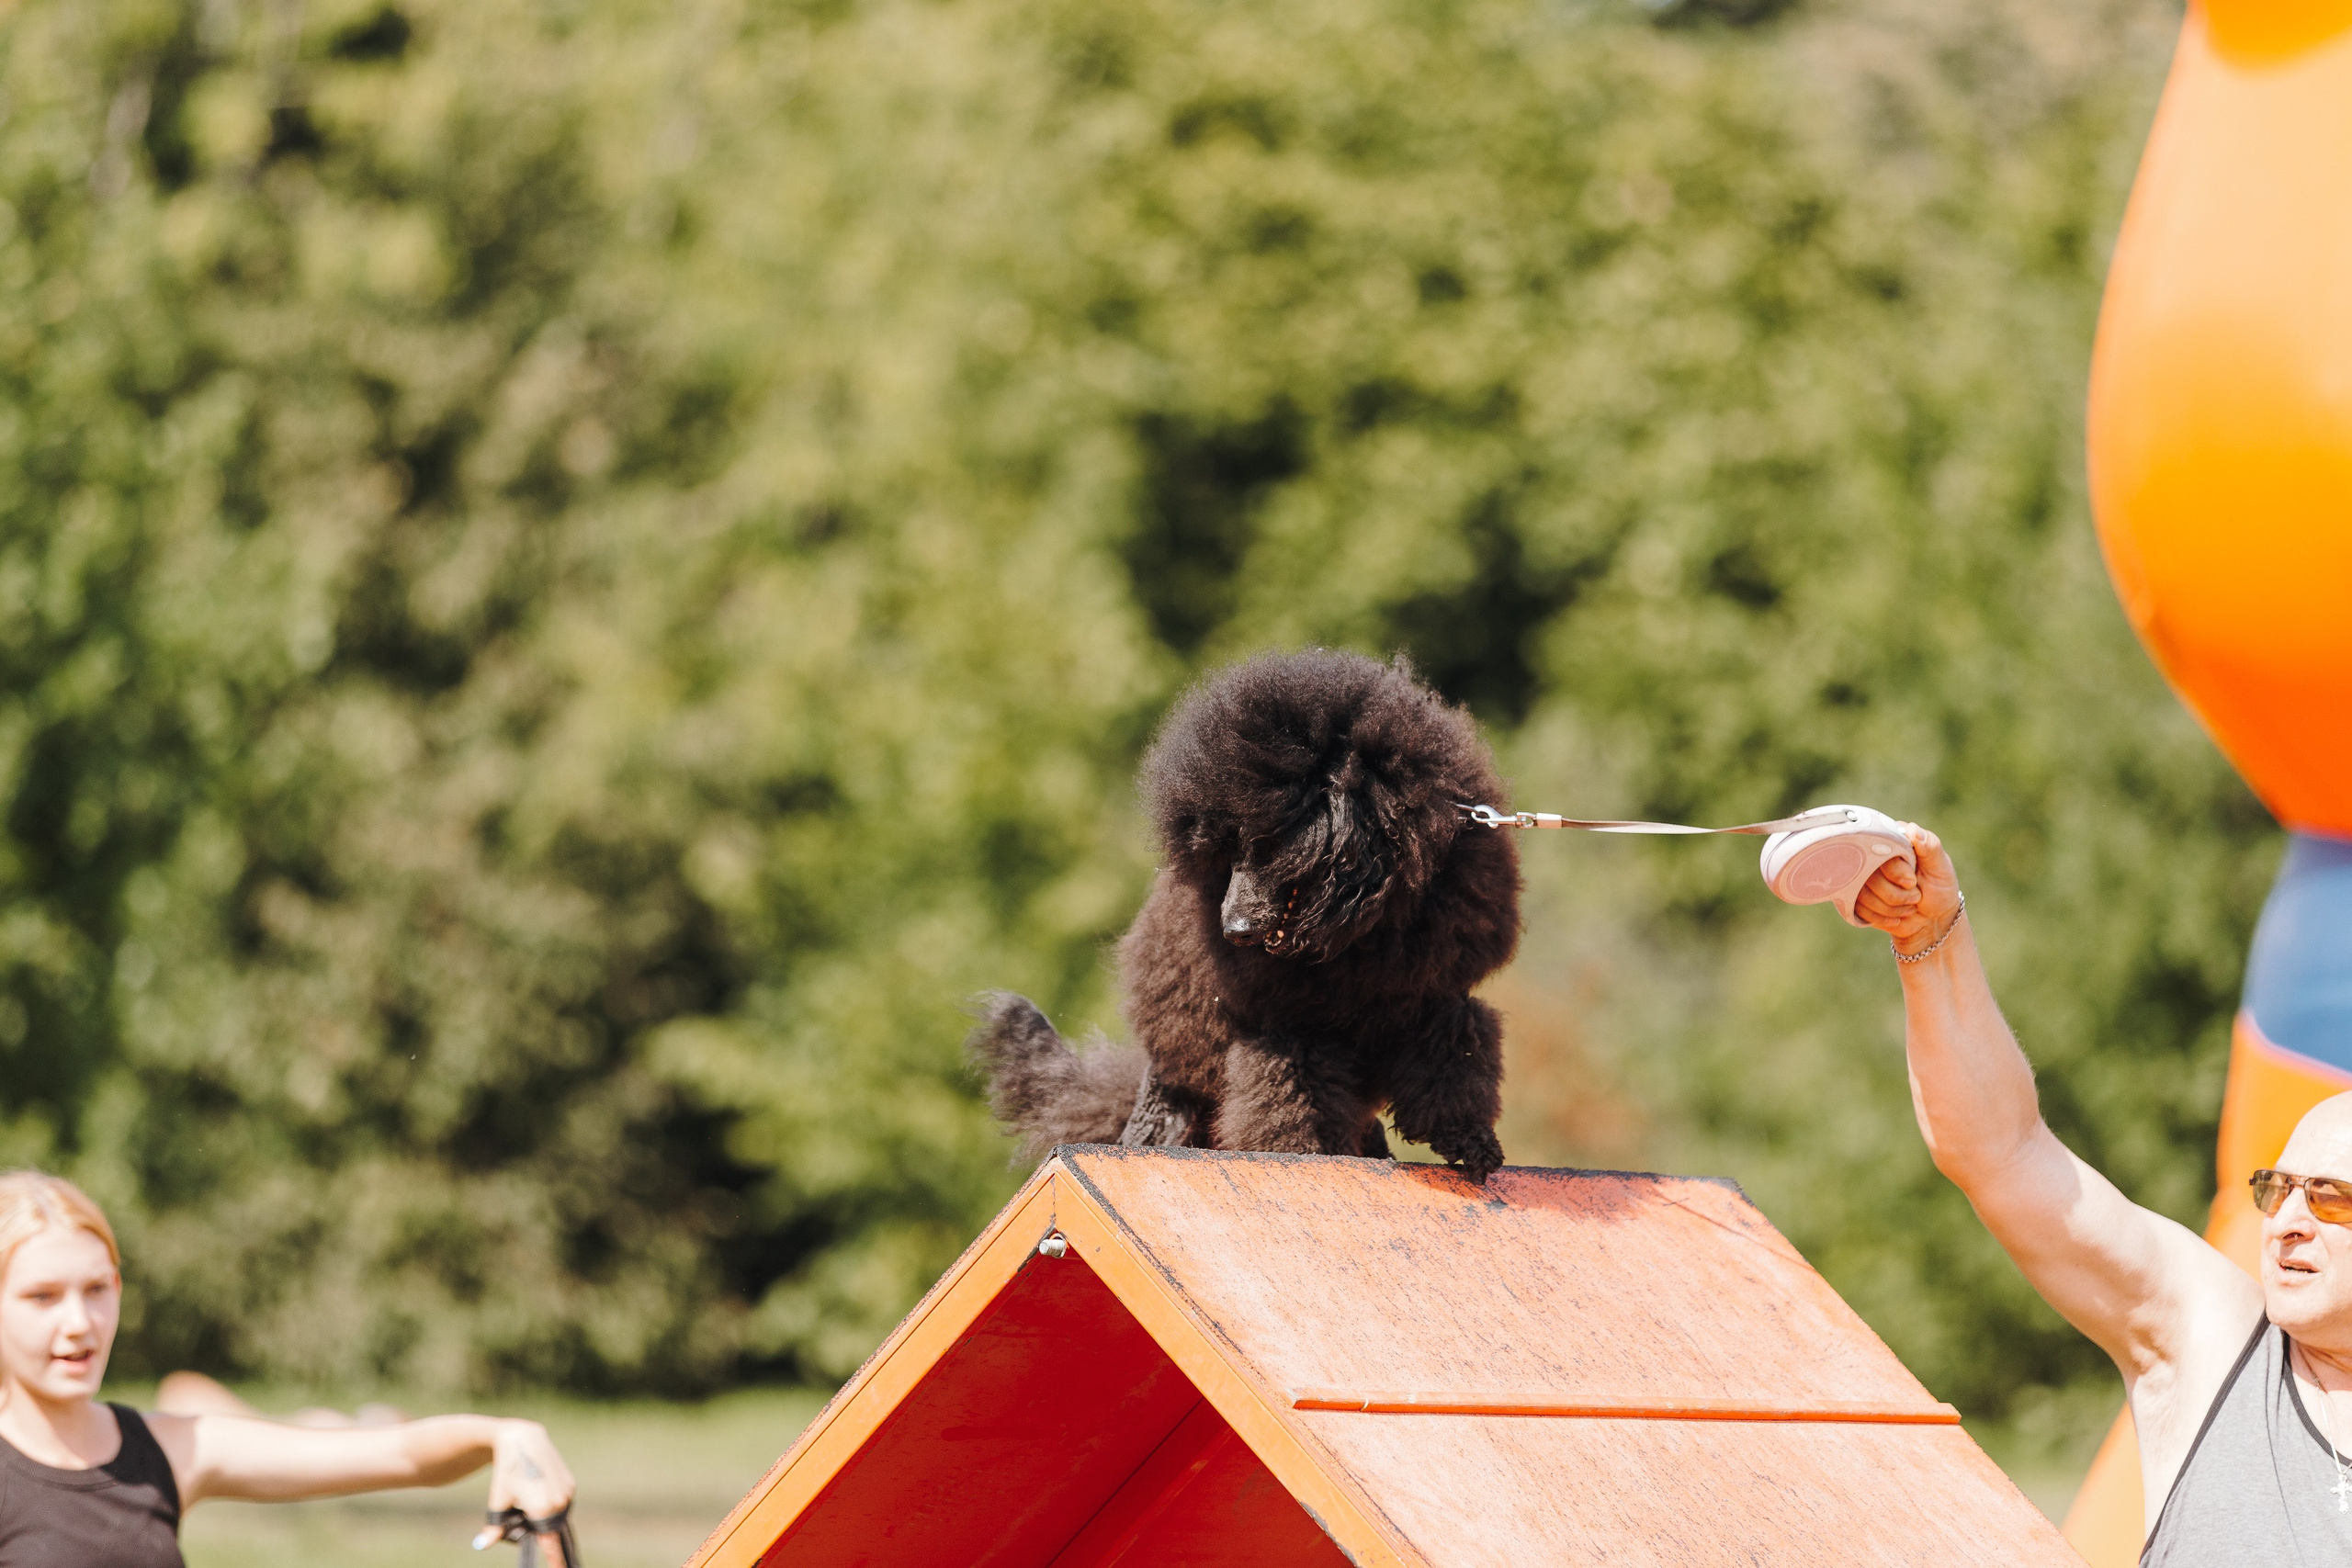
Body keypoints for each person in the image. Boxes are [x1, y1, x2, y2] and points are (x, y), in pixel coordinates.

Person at [1854, 827, 2350, 1563]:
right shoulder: (2211, 1342)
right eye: (2277, 1190)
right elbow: (2002, 1153)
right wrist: (1930, 937)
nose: (2286, 1223)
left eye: (2332, 1198)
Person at [0, 1169, 576, 1568]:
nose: (80, 1322)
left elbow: (395, 1455)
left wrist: (502, 1435)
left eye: (96, 1289)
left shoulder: (169, 1452)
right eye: (43, 1297)